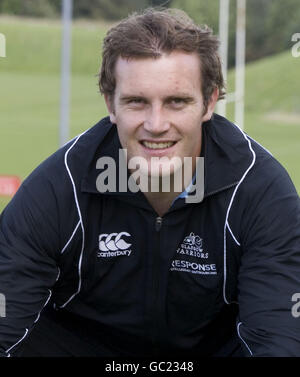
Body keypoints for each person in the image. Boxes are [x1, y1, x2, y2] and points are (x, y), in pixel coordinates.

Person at [1, 7, 300, 358]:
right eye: (137, 102)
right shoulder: (58, 187)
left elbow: (278, 338)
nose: (156, 124)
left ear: (209, 102)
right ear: (111, 104)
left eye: (176, 102)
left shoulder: (260, 190)